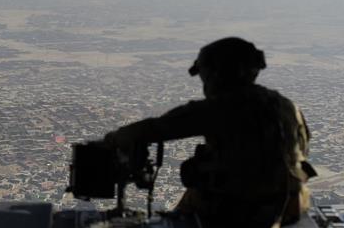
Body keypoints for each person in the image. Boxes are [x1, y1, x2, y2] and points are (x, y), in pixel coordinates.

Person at [104, 37, 316, 227]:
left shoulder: (224, 107)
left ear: (219, 73)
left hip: (238, 213)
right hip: (289, 208)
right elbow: (302, 149)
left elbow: (154, 129)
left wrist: (109, 141)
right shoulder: (286, 106)